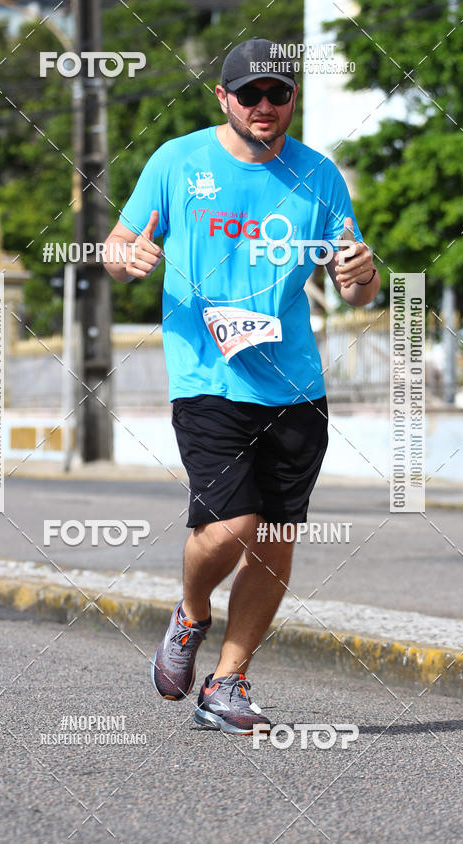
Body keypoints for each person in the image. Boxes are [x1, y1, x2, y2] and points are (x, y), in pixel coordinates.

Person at [103, 37, 380, 735]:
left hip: (295, 385)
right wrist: (127, 254)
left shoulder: (319, 177)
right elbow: (114, 245)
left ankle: (228, 682)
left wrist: (361, 277)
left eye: (277, 93)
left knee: (276, 536)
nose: (264, 106)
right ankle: (191, 613)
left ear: (293, 98)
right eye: (249, 94)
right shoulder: (178, 162)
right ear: (223, 98)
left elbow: (359, 286)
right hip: (206, 376)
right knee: (230, 525)